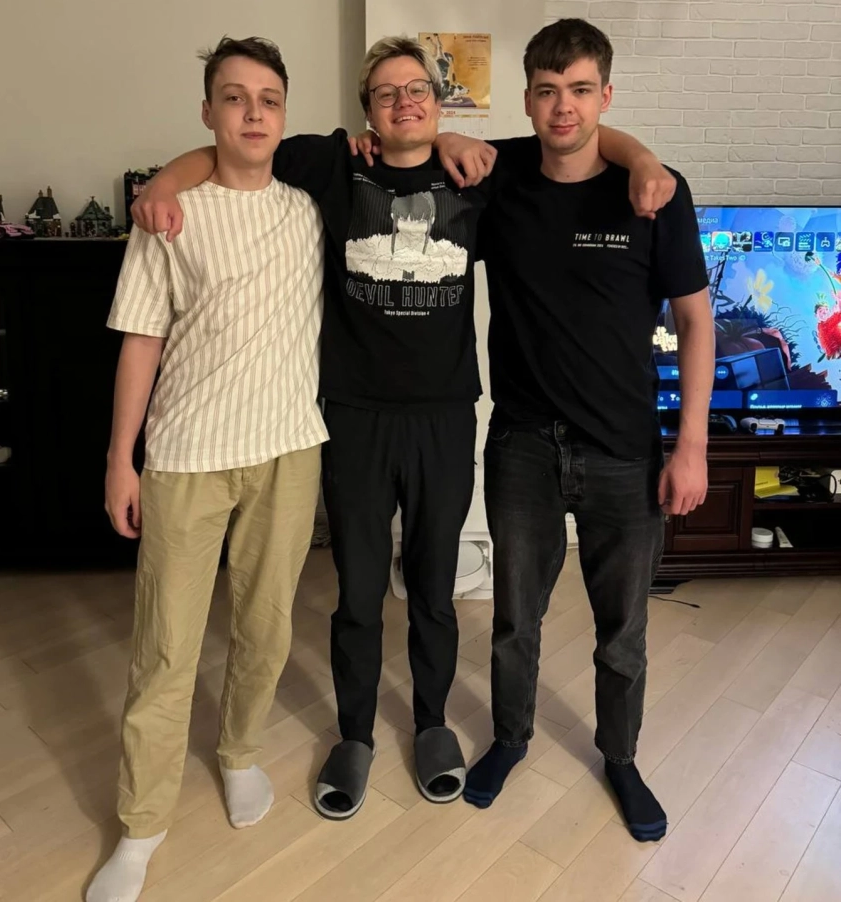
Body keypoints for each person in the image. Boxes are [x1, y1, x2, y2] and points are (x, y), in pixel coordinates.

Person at [132, 35, 676, 822]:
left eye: (417, 89)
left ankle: (430, 724)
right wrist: (162, 181)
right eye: (386, 93)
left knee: (433, 590)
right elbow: (228, 150)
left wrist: (646, 157)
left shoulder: (479, 175)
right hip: (353, 417)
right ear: (368, 111)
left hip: (446, 417)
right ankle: (355, 733)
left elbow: (582, 137)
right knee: (357, 591)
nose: (404, 102)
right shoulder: (331, 165)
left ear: (439, 102)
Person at [457, 20, 715, 844]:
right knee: (514, 618)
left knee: (623, 631)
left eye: (578, 90)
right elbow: (426, 147)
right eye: (546, 91)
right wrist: (448, 136)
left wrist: (693, 446)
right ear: (528, 99)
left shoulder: (656, 192)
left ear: (606, 95)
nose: (561, 107)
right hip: (523, 445)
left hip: (625, 450)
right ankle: (510, 738)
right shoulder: (501, 180)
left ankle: (621, 757)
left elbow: (696, 323)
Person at [87, 37, 327, 902]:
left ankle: (239, 752)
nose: (253, 112)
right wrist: (120, 461)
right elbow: (140, 342)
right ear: (208, 112)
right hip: (187, 456)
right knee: (165, 647)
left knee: (266, 628)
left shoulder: (310, 211)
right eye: (234, 97)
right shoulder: (169, 216)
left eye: (268, 99)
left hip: (289, 449)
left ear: (284, 115)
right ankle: (141, 824)